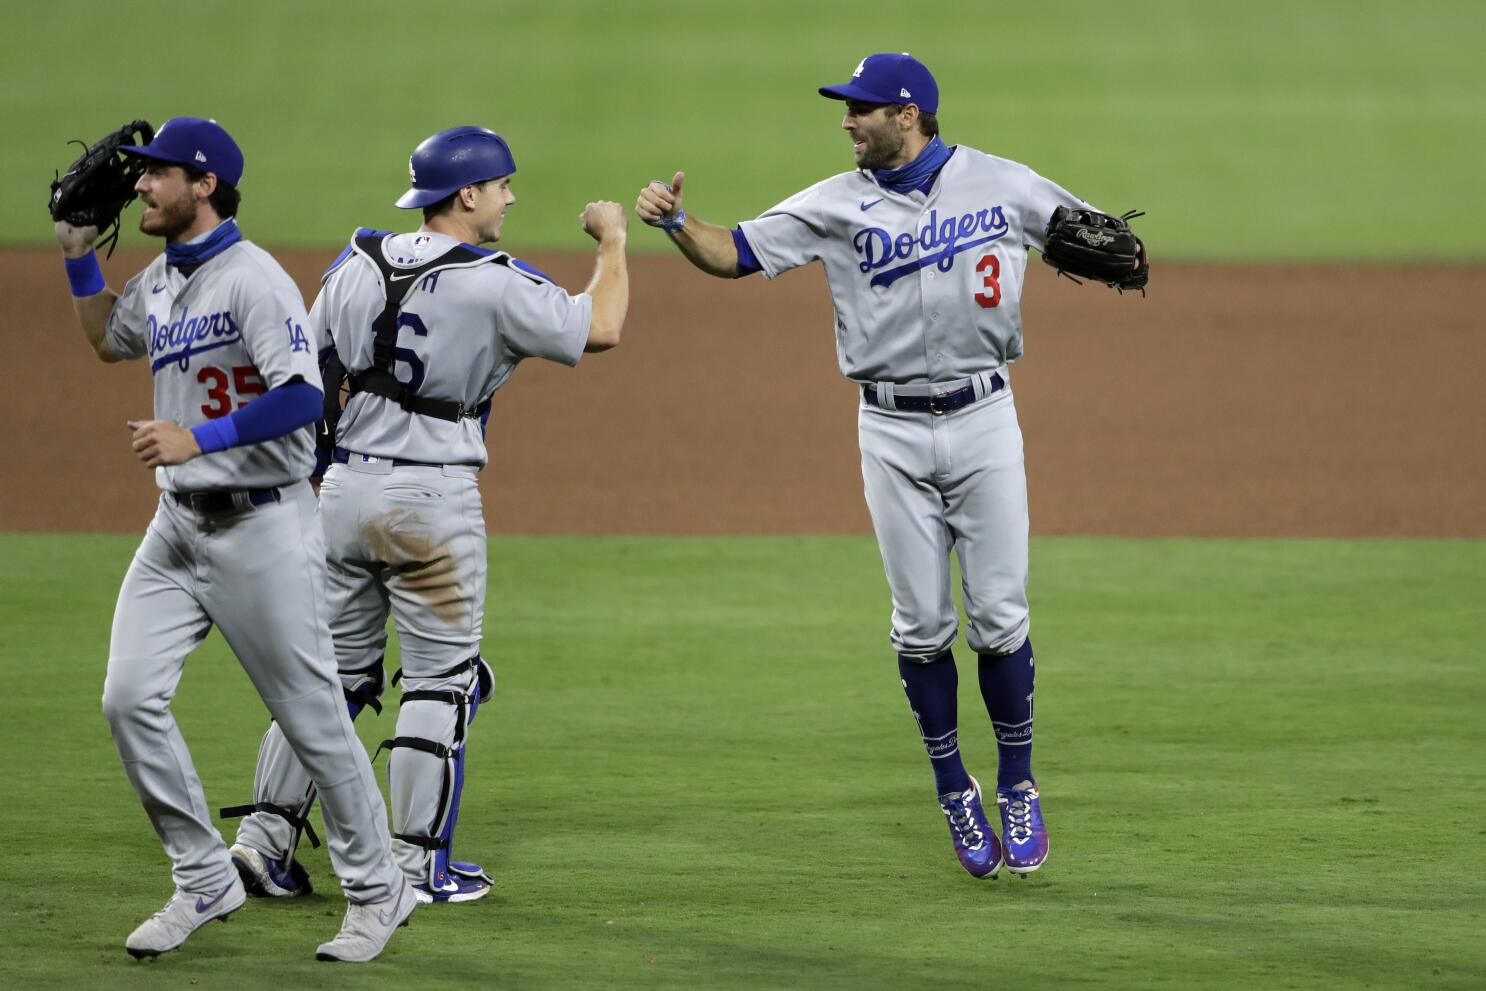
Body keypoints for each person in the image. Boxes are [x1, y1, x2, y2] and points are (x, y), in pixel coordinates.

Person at [637, 54, 1146, 879]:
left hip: (985, 419)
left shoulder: (1002, 183)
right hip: (890, 431)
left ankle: (1018, 781)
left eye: (860, 109)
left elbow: (1105, 237)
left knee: (1001, 618)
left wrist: (1118, 246)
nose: (846, 121)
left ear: (907, 115)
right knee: (921, 627)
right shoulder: (834, 202)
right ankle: (954, 788)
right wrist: (675, 223)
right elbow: (735, 253)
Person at [226, 125, 630, 905]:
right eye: (502, 184)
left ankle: (264, 840)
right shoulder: (493, 279)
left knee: (330, 680)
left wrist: (318, 476)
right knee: (442, 682)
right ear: (467, 194)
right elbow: (601, 326)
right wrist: (612, 242)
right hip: (430, 502)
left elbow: (308, 380)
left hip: (340, 498)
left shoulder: (355, 263)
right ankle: (414, 864)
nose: (511, 197)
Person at [54, 116, 414, 961]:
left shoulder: (255, 280)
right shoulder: (163, 280)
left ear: (204, 183)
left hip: (262, 527)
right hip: (175, 529)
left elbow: (298, 397)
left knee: (313, 717)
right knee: (127, 698)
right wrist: (77, 252)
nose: (139, 185)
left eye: (157, 173)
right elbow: (110, 337)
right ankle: (203, 877)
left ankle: (378, 890)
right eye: (139, 174)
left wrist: (199, 438)